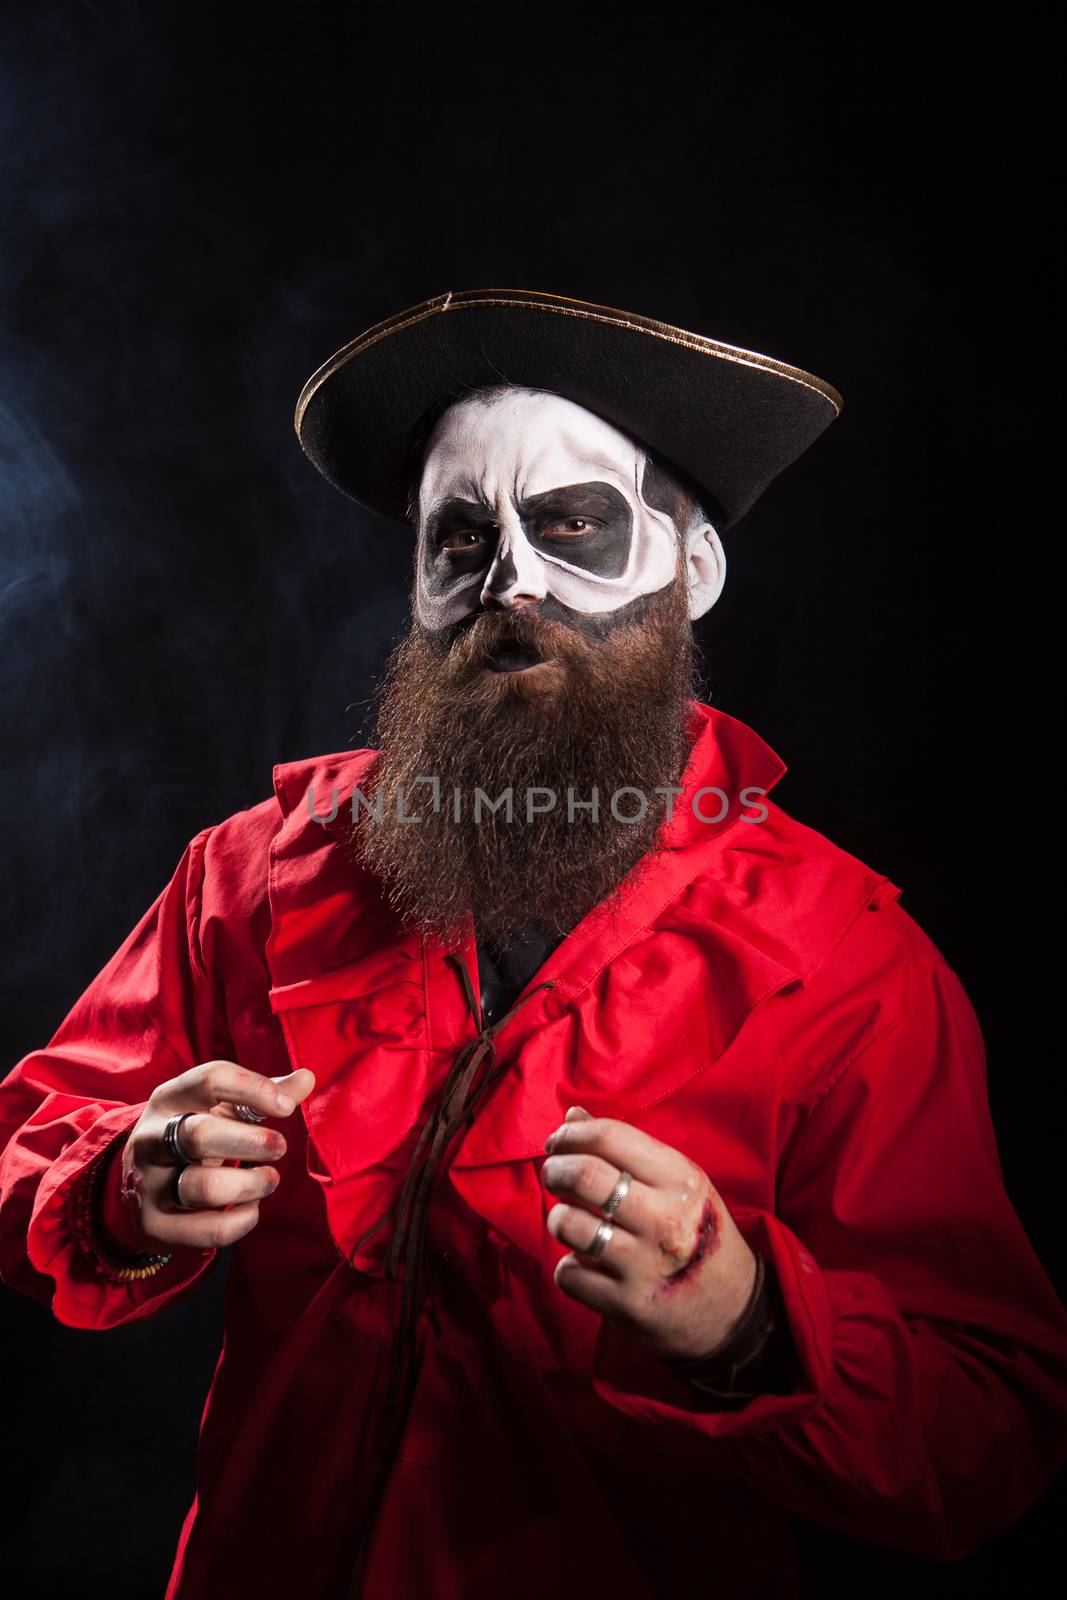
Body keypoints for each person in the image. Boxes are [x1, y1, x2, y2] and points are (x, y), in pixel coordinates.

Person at [1, 287, 1064, 1600]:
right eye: (460, 539)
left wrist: (751, 1321)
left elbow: (988, 1432)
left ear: (693, 567)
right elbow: (33, 1140)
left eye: (570, 525)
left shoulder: (844, 959)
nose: (512, 580)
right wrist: (117, 1185)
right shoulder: (248, 878)